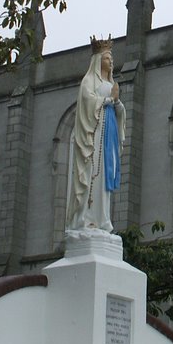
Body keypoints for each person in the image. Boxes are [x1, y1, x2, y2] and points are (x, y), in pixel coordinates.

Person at [66, 37, 125, 233]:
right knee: (93, 174)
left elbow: (118, 109)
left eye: (112, 59)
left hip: (108, 135)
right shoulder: (89, 80)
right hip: (94, 135)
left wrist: (116, 103)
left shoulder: (111, 82)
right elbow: (88, 101)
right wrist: (109, 99)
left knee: (105, 177)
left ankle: (103, 218)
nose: (111, 62)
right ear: (98, 60)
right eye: (107, 58)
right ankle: (87, 217)